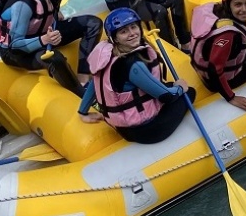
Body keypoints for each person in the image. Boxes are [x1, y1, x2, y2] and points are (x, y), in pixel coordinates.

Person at [77, 8, 196, 144]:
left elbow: (95, 83)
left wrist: (83, 112)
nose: (132, 34)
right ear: (115, 38)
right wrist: (181, 88)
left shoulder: (106, 56)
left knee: (168, 86)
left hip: (123, 126)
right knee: (190, 93)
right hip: (146, 131)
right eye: (124, 31)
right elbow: (167, 97)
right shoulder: (133, 65)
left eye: (133, 27)